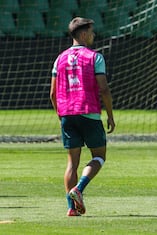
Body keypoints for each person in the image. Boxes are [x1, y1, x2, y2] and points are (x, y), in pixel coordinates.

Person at [50, 17, 115, 216]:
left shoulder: (59, 58)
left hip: (67, 113)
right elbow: (103, 88)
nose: (93, 35)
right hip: (88, 112)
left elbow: (52, 94)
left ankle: (71, 209)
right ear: (84, 34)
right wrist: (110, 115)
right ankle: (79, 188)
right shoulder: (95, 57)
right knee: (99, 156)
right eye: (92, 32)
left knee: (72, 162)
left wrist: (60, 114)